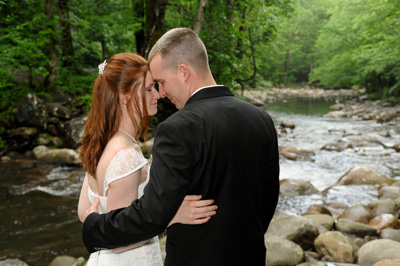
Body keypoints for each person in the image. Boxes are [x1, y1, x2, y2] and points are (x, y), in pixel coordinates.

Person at [82, 28, 280, 265]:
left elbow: (152, 214)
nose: (161, 93)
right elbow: (268, 200)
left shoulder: (177, 128)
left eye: (161, 82)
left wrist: (94, 226)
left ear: (184, 72)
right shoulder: (261, 119)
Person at [77, 52, 217, 265]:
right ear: (125, 96)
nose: (158, 94)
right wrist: (171, 215)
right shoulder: (125, 157)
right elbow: (120, 240)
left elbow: (83, 212)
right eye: (149, 89)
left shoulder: (101, 143)